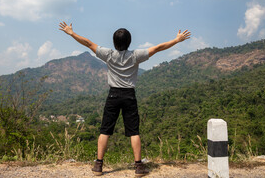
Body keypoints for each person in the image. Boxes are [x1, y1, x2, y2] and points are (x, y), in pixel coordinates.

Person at [59, 21, 191, 177]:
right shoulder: (135, 55)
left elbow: (88, 43)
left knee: (105, 130)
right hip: (129, 95)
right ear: (129, 42)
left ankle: (98, 166)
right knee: (134, 131)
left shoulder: (108, 54)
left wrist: (71, 33)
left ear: (114, 42)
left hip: (113, 95)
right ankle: (138, 167)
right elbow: (158, 48)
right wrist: (176, 40)